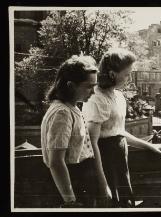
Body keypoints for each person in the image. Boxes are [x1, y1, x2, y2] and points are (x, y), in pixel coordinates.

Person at [82, 48, 161, 207]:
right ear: (112, 74)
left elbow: (119, 132)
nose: (129, 78)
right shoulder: (96, 98)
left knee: (124, 204)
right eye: (127, 74)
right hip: (104, 162)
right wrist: (103, 184)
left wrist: (150, 146)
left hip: (119, 160)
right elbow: (92, 142)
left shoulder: (117, 96)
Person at [40, 55, 109, 208]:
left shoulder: (73, 107)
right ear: (71, 85)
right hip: (71, 183)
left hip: (82, 179)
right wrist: (70, 200)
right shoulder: (62, 113)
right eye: (89, 86)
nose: (93, 92)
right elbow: (56, 162)